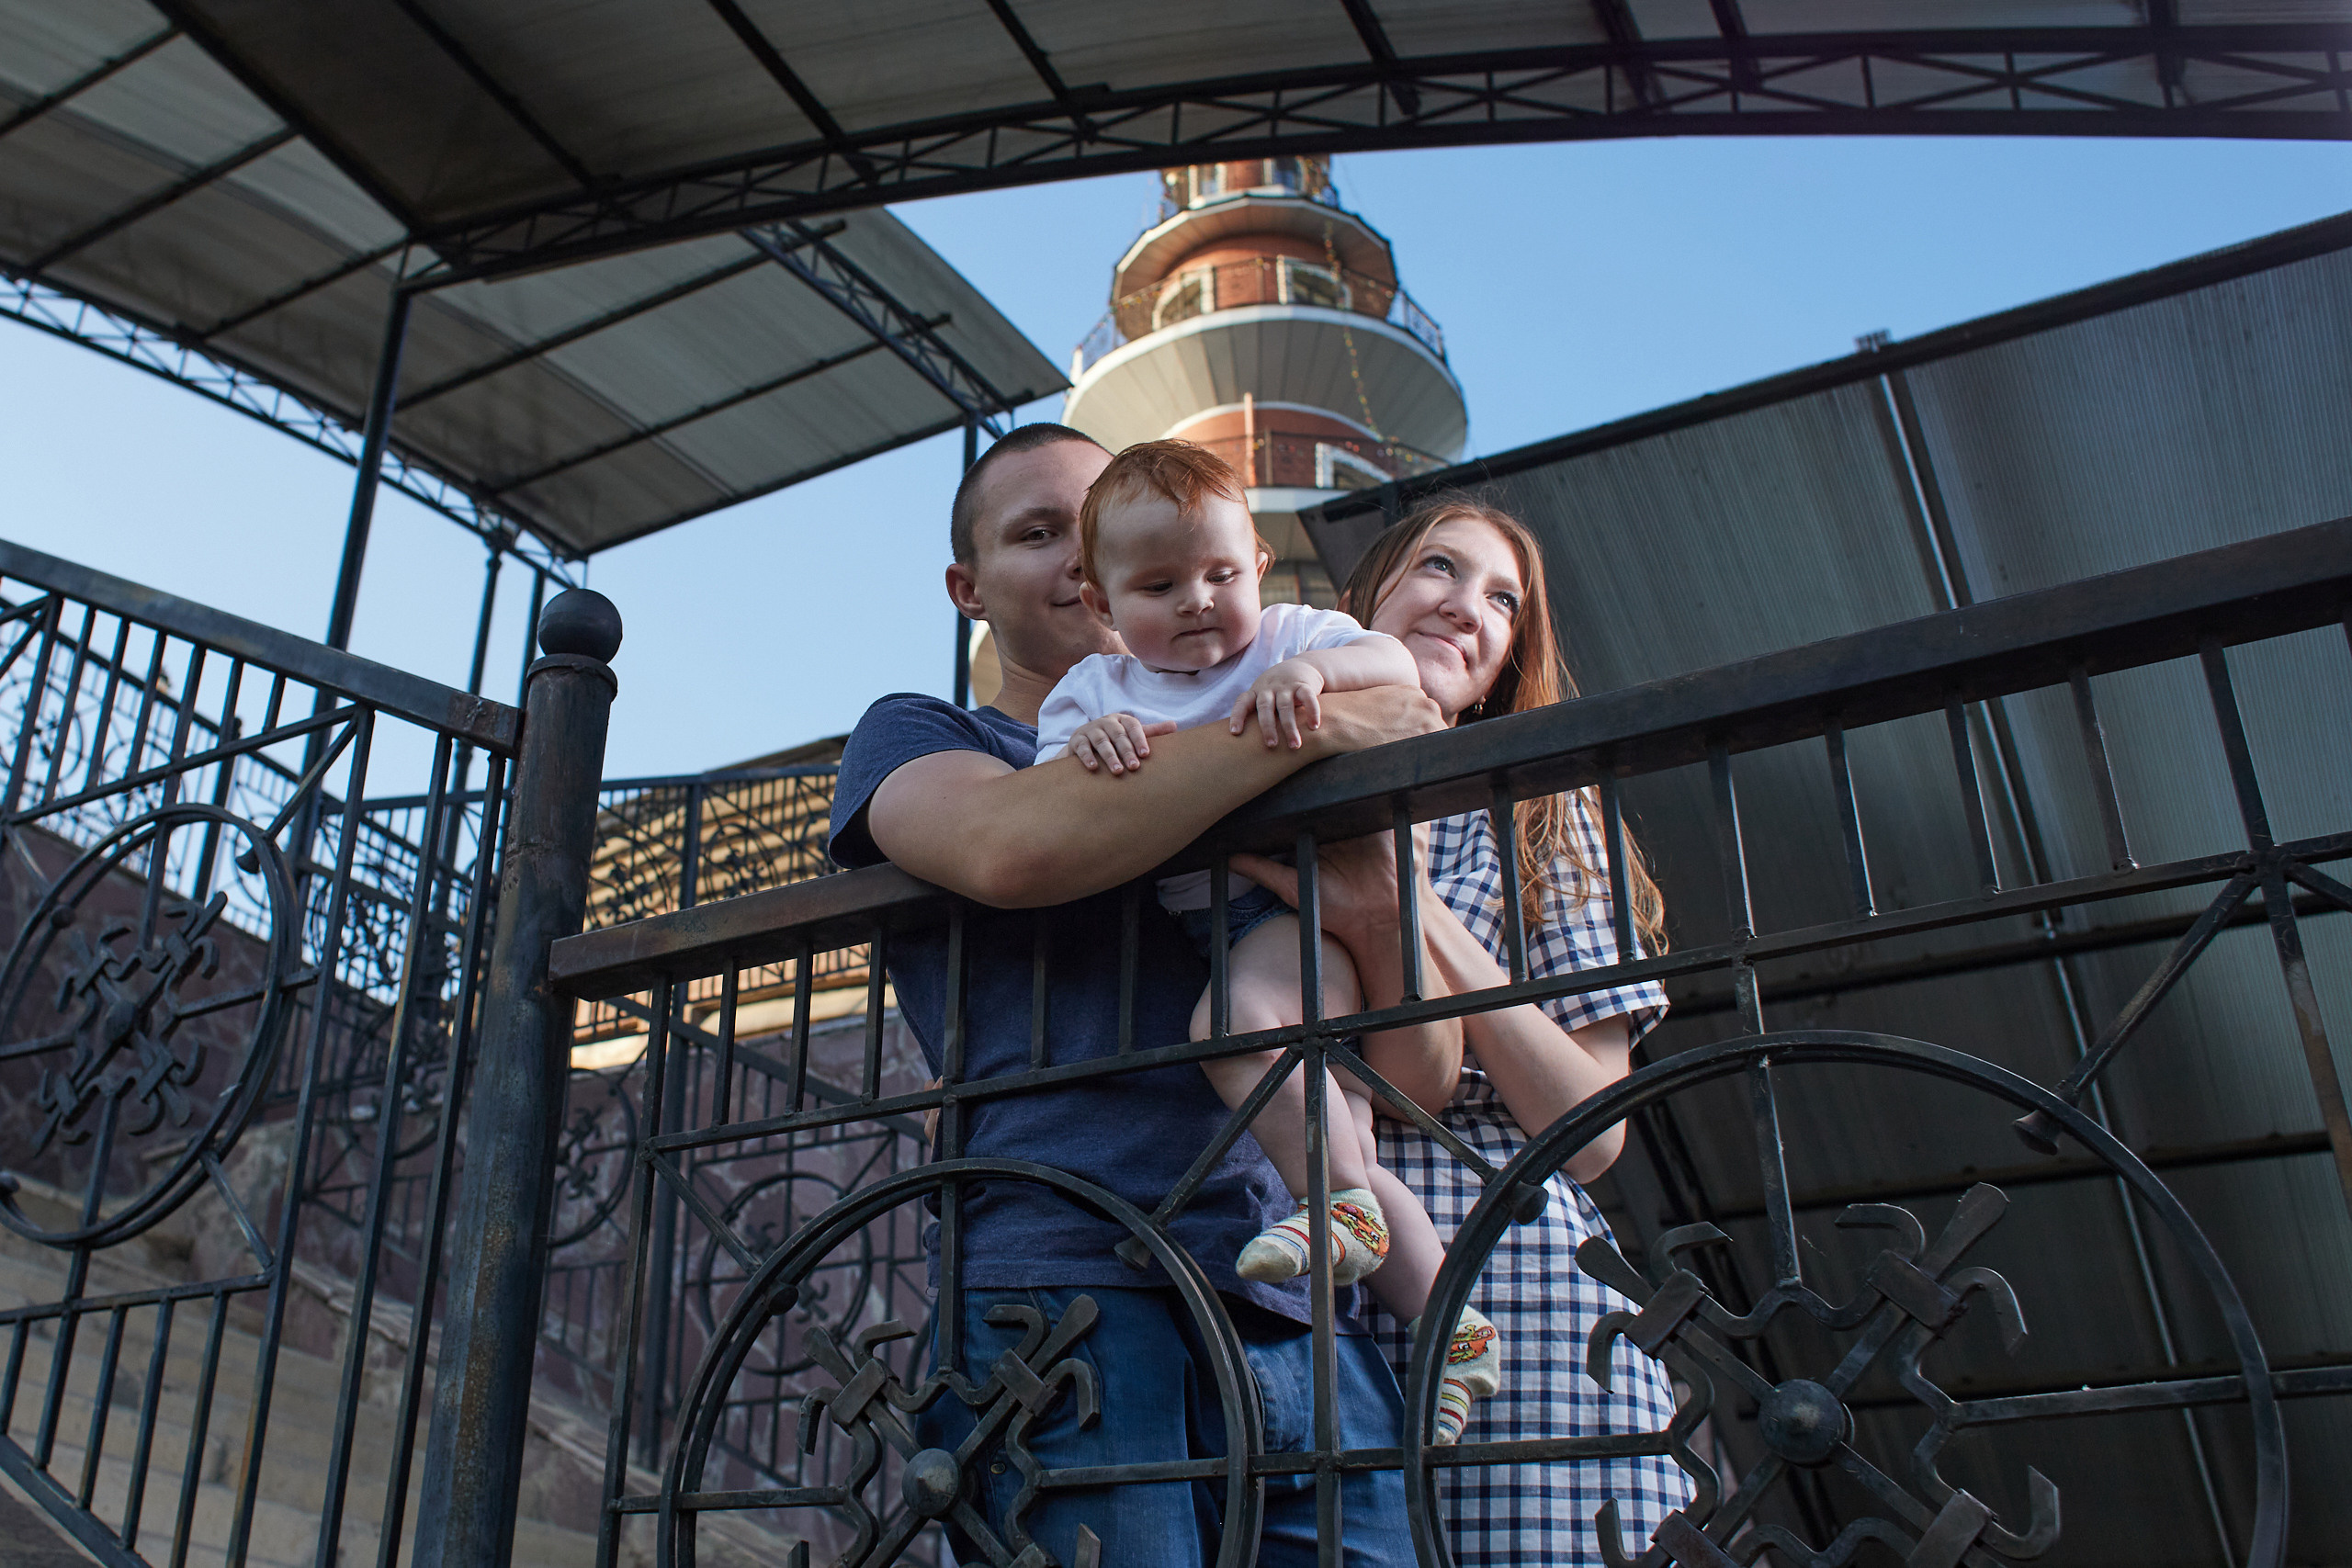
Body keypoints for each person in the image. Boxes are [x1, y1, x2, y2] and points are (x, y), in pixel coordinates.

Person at [827, 423, 1443, 1568]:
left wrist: (1365, 898)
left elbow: (1420, 1076)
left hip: (1297, 1288)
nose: (1075, 552)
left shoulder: (1282, 683)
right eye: (1037, 532)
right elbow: (1018, 849)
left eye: (1094, 513)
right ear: (966, 588)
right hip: (1066, 1282)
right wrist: (1319, 728)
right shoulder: (933, 733)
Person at [1231, 497, 1692, 1566]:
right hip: (1311, 1302)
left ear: (1502, 667)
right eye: (1440, 568)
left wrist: (1410, 908)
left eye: (1503, 603)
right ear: (1364, 604)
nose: (1467, 608)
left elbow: (1590, 1132)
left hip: (1507, 1280)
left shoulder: (1539, 810)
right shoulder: (1268, 771)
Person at [1035, 438, 1500, 1445]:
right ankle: (1453, 1325)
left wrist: (1310, 671)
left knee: (1235, 1024)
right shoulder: (1094, 692)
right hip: (1220, 922)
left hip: (1297, 913)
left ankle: (1336, 1207)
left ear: (1259, 569)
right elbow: (1049, 794)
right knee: (1353, 1145)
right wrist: (1092, 750)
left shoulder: (1285, 634)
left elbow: (1389, 664)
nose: (1200, 600)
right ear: (1105, 608)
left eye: (1222, 574)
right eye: (1160, 585)